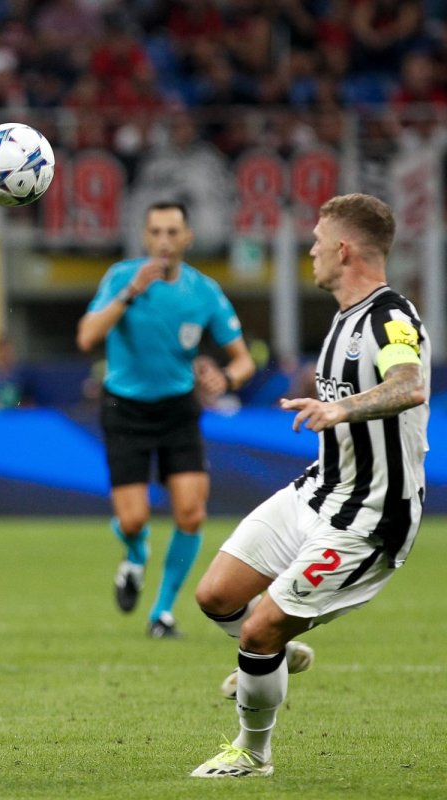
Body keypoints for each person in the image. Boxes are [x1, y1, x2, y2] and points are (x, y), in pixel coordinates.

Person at [190, 193, 430, 778]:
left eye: (318, 243)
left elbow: (409, 385)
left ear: (344, 249)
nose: (312, 252)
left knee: (257, 626)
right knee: (215, 595)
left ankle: (253, 751)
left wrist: (341, 409)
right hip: (320, 490)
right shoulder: (344, 317)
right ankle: (275, 655)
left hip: (372, 512)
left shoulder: (390, 318)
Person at [76, 200, 255, 638]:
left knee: (191, 514)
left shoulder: (204, 291)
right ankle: (135, 555)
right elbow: (86, 338)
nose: (164, 241)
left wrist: (225, 377)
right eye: (156, 232)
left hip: (178, 409)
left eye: (173, 232)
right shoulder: (121, 278)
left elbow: (244, 360)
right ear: (145, 237)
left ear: (188, 238)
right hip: (125, 408)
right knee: (133, 520)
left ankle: (162, 612)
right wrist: (130, 292)